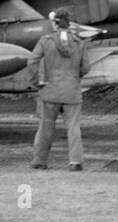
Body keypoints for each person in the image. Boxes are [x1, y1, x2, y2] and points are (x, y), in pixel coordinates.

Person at [27, 9, 92, 171]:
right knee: (73, 127)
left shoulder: (45, 40)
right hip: (72, 92)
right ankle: (75, 162)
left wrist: (36, 82)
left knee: (45, 127)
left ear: (55, 23)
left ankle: (40, 161)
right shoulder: (79, 42)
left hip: (49, 90)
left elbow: (32, 61)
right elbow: (86, 67)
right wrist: (75, 77)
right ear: (68, 23)